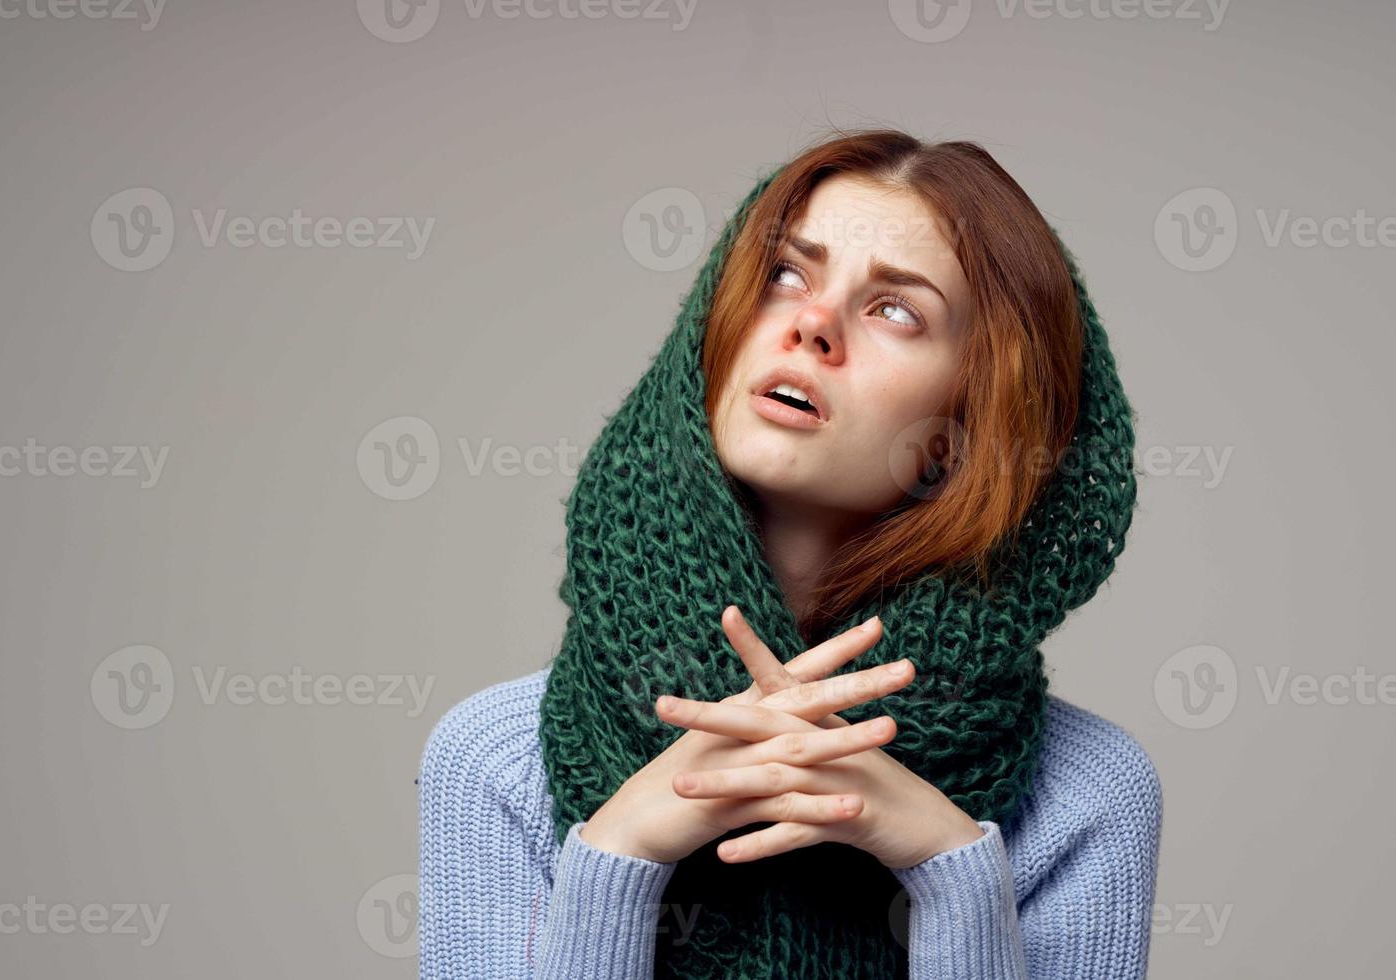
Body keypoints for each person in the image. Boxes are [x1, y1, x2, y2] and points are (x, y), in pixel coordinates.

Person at [419, 128, 1162, 978]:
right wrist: (619, 852)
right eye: (785, 274)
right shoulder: (495, 762)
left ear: (962, 434)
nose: (813, 322)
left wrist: (951, 871)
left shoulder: (1087, 798)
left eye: (896, 309)